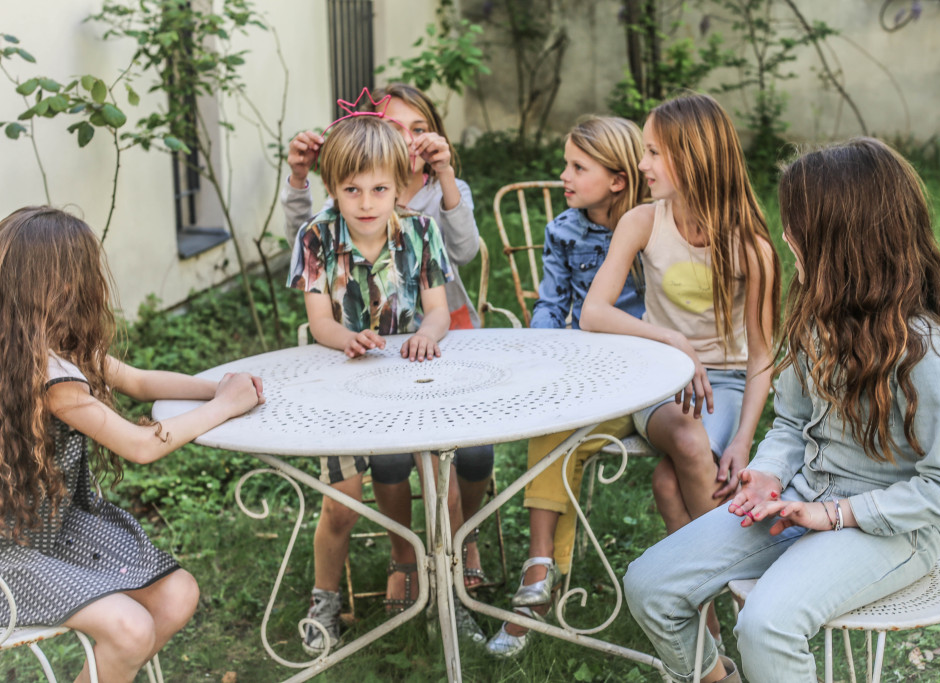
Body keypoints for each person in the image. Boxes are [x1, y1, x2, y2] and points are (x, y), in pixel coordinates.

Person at [623, 137, 940, 683]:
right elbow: (792, 421)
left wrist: (837, 515)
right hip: (802, 496)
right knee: (650, 584)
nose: (784, 233)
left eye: (796, 223)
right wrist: (768, 473)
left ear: (842, 241)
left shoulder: (926, 355)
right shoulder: (818, 317)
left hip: (893, 529)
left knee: (767, 626)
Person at [0, 206, 264, 683]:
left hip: (53, 527)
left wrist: (219, 386)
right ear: (61, 284)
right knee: (130, 629)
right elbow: (141, 447)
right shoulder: (46, 377)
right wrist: (225, 406)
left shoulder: (51, 346)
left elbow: (139, 382)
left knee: (177, 593)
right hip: (9, 554)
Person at [579, 92, 780, 645]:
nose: (641, 165)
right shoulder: (642, 222)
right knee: (688, 445)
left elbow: (763, 356)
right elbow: (593, 314)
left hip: (729, 386)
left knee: (670, 486)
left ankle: (704, 639)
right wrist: (671, 340)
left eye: (653, 153)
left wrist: (743, 439)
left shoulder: (752, 247)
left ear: (695, 157)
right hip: (659, 381)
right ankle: (745, 587)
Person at [282, 82, 494, 597]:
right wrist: (347, 338)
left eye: (379, 190)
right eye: (351, 190)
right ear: (332, 187)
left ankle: (452, 582)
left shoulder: (421, 231)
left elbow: (439, 309)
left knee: (439, 466)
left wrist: (425, 331)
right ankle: (385, 568)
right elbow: (319, 321)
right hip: (347, 376)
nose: (366, 202)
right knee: (363, 483)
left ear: (401, 186)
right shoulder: (318, 236)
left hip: (413, 370)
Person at [485, 116, 648, 657]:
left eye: (578, 167)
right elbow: (552, 305)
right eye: (565, 164)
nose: (563, 176)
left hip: (639, 376)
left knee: (563, 432)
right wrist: (544, 355)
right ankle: (540, 573)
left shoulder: (653, 230)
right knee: (556, 420)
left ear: (618, 179)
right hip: (579, 371)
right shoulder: (564, 230)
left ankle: (532, 595)